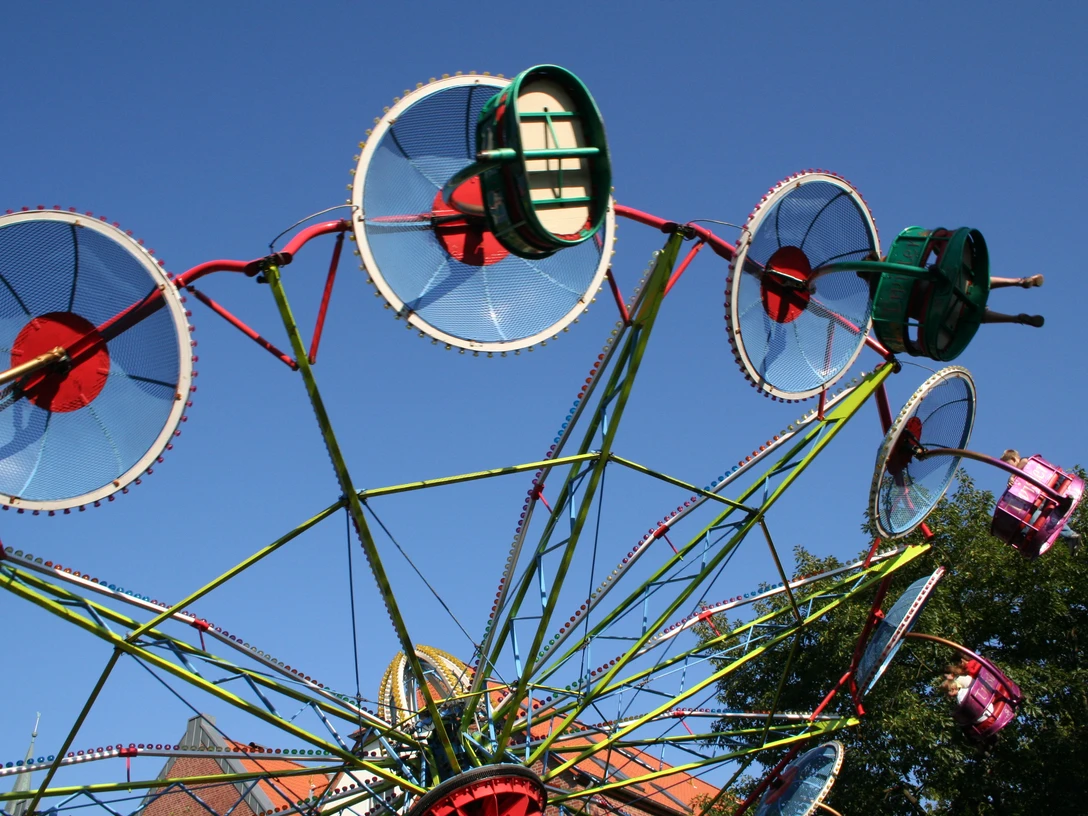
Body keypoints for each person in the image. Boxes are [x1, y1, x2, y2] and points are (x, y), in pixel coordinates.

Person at [1001, 449, 1081, 555]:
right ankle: (1070, 535)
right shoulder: (1023, 474)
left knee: (1035, 517)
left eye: (1009, 466)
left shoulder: (1026, 462)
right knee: (1046, 520)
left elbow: (1024, 462)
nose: (1010, 470)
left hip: (1052, 487)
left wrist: (1013, 476)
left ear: (1013, 459)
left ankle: (1032, 540)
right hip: (1046, 494)